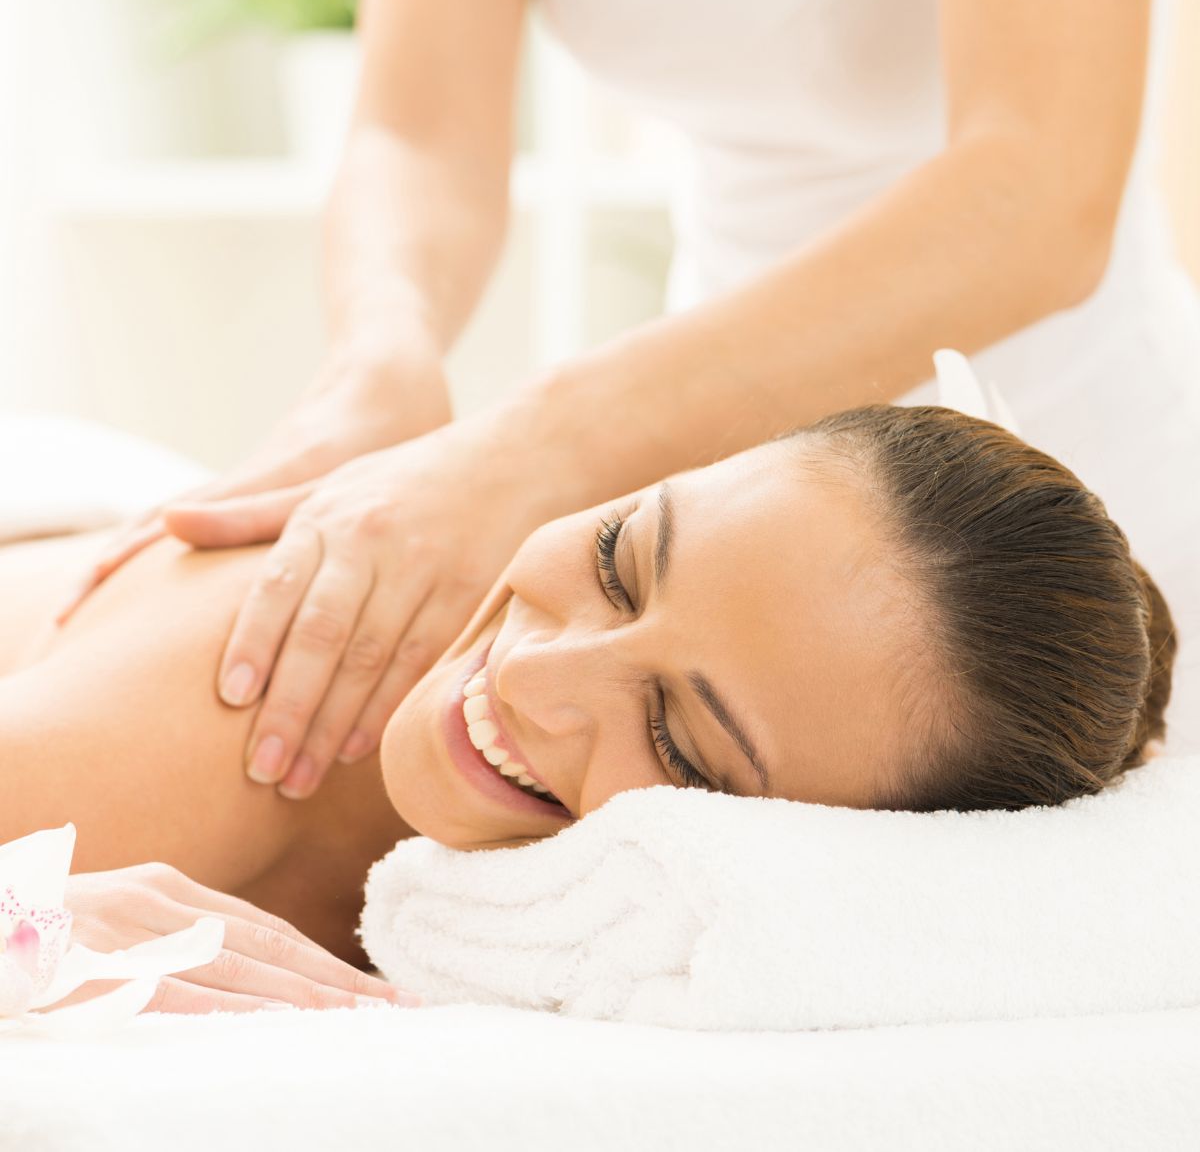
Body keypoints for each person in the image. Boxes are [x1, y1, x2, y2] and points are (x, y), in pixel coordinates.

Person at [61, 0, 1200, 809]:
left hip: (1048, 509)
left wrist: (538, 448)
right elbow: (419, 128)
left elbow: (1037, 200)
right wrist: (379, 362)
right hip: (723, 483)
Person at [6, 401, 1176, 1009]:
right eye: (621, 558)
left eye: (677, 738)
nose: (529, 678)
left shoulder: (643, 944)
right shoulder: (251, 696)